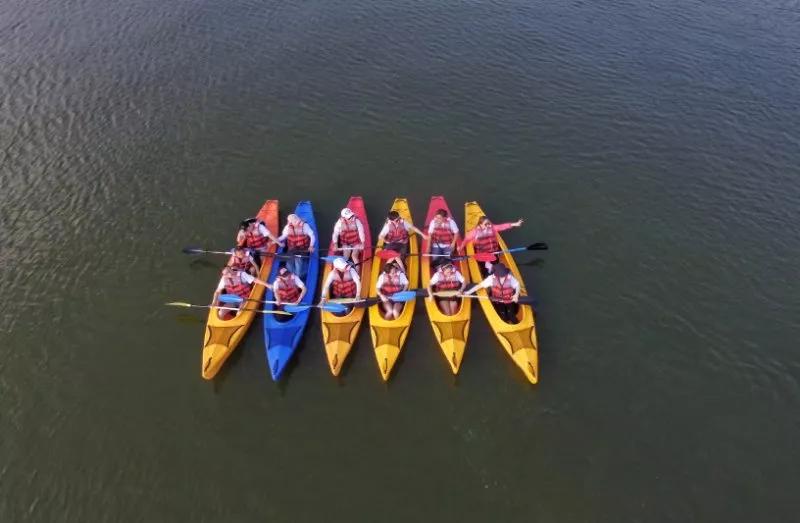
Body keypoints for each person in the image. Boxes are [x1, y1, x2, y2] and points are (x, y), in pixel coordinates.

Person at [276, 213, 315, 278]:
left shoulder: (305, 226)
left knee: (298, 265)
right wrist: (275, 240)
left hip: (303, 249)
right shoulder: (287, 227)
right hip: (292, 249)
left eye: (297, 221)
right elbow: (283, 237)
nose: (297, 222)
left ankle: (300, 275)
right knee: (289, 264)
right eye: (295, 221)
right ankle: (291, 275)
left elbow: (312, 236)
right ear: (291, 223)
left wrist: (311, 246)